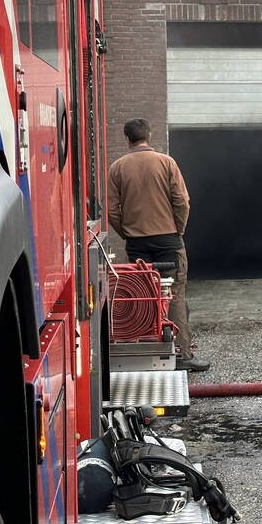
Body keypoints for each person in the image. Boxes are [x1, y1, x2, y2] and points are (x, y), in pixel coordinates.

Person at [108, 118, 209, 372]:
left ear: (127, 138)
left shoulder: (117, 167)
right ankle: (182, 356)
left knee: (143, 295)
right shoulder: (166, 163)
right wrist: (178, 229)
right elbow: (182, 201)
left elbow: (111, 210)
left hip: (137, 244)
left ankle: (146, 348)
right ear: (149, 136)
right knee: (174, 294)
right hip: (168, 240)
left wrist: (128, 234)